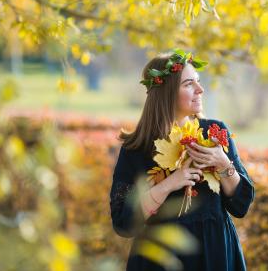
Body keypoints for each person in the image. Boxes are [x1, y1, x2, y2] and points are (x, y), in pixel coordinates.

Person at [109, 49, 255, 271]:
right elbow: (124, 223)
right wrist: (169, 184)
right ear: (167, 93)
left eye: (198, 81)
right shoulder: (136, 149)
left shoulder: (214, 134)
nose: (200, 89)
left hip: (216, 254)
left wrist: (225, 164)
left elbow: (241, 205)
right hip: (161, 258)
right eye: (189, 84)